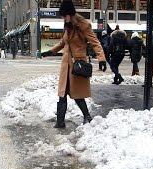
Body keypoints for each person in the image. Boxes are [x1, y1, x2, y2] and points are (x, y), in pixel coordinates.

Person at [41, 0, 106, 128]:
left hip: (77, 64)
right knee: (62, 94)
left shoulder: (83, 25)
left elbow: (95, 43)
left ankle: (87, 116)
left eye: (64, 16)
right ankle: (60, 122)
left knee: (77, 94)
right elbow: (62, 43)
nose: (63, 18)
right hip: (66, 66)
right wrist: (50, 51)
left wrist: (101, 58)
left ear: (70, 14)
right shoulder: (67, 25)